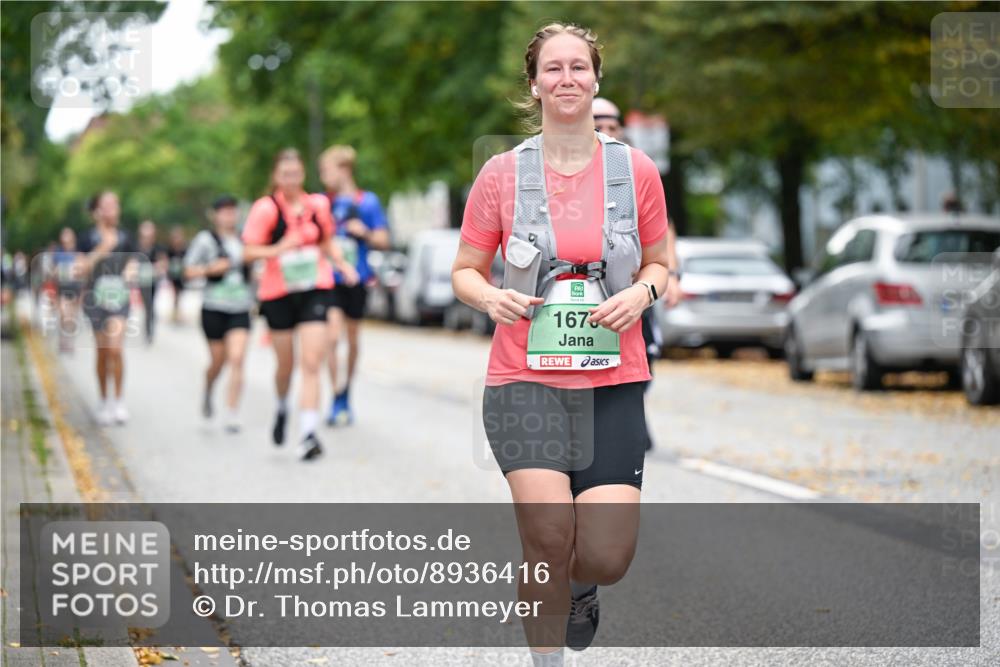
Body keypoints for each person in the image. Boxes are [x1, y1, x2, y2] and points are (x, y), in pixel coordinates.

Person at [451, 23, 670, 666]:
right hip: (524, 379)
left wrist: (643, 294)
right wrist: (490, 296)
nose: (567, 78)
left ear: (596, 78)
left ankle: (582, 588)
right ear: (534, 84)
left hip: (613, 382)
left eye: (579, 67)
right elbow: (464, 269)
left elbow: (658, 263)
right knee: (546, 536)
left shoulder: (635, 171)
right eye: (554, 69)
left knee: (606, 555)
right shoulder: (500, 174)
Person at [242, 149, 359, 461]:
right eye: (285, 174)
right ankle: (281, 405)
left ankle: (308, 433)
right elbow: (248, 252)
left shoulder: (317, 205)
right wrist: (279, 248)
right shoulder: (266, 209)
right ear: (276, 177)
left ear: (303, 174)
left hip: (314, 289)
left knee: (311, 361)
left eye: (296, 173)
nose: (291, 179)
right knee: (286, 366)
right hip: (278, 293)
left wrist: (342, 264)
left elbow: (326, 240)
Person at [592, 97, 682, 450]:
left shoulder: (636, 170)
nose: (606, 133)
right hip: (586, 291)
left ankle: (629, 420)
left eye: (613, 127)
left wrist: (670, 274)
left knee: (643, 357)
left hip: (634, 289)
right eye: (598, 125)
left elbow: (663, 228)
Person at [317, 145, 391, 425]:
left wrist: (366, 233)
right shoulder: (322, 203)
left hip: (357, 279)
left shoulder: (367, 202)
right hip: (330, 279)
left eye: (327, 170)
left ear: (344, 169)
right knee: (332, 337)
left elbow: (384, 239)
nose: (324, 177)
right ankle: (335, 394)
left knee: (352, 339)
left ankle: (346, 392)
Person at [184, 195, 253, 433]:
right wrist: (209, 269)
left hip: (240, 307)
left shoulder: (247, 240)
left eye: (233, 211)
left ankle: (232, 411)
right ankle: (209, 387)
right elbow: (188, 270)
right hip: (213, 307)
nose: (229, 216)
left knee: (237, 358)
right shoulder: (205, 240)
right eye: (224, 211)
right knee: (218, 361)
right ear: (215, 215)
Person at [77, 191, 136, 426]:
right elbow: (80, 268)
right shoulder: (87, 238)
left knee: (115, 349)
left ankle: (119, 400)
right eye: (108, 205)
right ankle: (104, 400)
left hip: (119, 298)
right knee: (102, 352)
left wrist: (130, 271)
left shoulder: (126, 237)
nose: (113, 209)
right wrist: (102, 248)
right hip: (95, 299)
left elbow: (133, 261)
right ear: (97, 211)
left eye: (116, 204)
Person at [50, 227, 84, 354]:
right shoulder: (57, 253)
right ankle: (63, 340)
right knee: (64, 315)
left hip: (75, 288)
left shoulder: (78, 253)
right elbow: (52, 272)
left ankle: (69, 341)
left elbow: (83, 272)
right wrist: (57, 272)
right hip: (62, 288)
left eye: (68, 236)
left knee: (72, 317)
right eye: (64, 236)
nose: (66, 239)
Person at [136, 220, 167, 344]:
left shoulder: (158, 247)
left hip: (153, 281)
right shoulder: (136, 246)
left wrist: (155, 268)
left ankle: (149, 331)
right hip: (140, 280)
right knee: (146, 305)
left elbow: (163, 262)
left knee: (150, 305)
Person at [166, 226, 188, 323]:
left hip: (181, 275)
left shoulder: (184, 249)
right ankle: (176, 313)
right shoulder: (170, 250)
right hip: (173, 275)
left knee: (179, 295)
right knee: (175, 294)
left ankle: (177, 312)